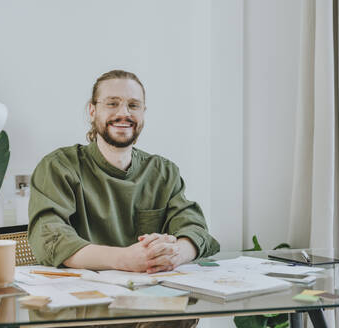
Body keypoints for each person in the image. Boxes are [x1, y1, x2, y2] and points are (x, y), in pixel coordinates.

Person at [28, 69, 220, 275]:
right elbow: (49, 238)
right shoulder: (59, 167)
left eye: (133, 105)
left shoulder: (163, 172)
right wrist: (123, 259)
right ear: (92, 111)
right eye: (112, 103)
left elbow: (196, 230)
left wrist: (175, 253)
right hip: (81, 300)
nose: (124, 113)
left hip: (153, 299)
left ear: (143, 112)